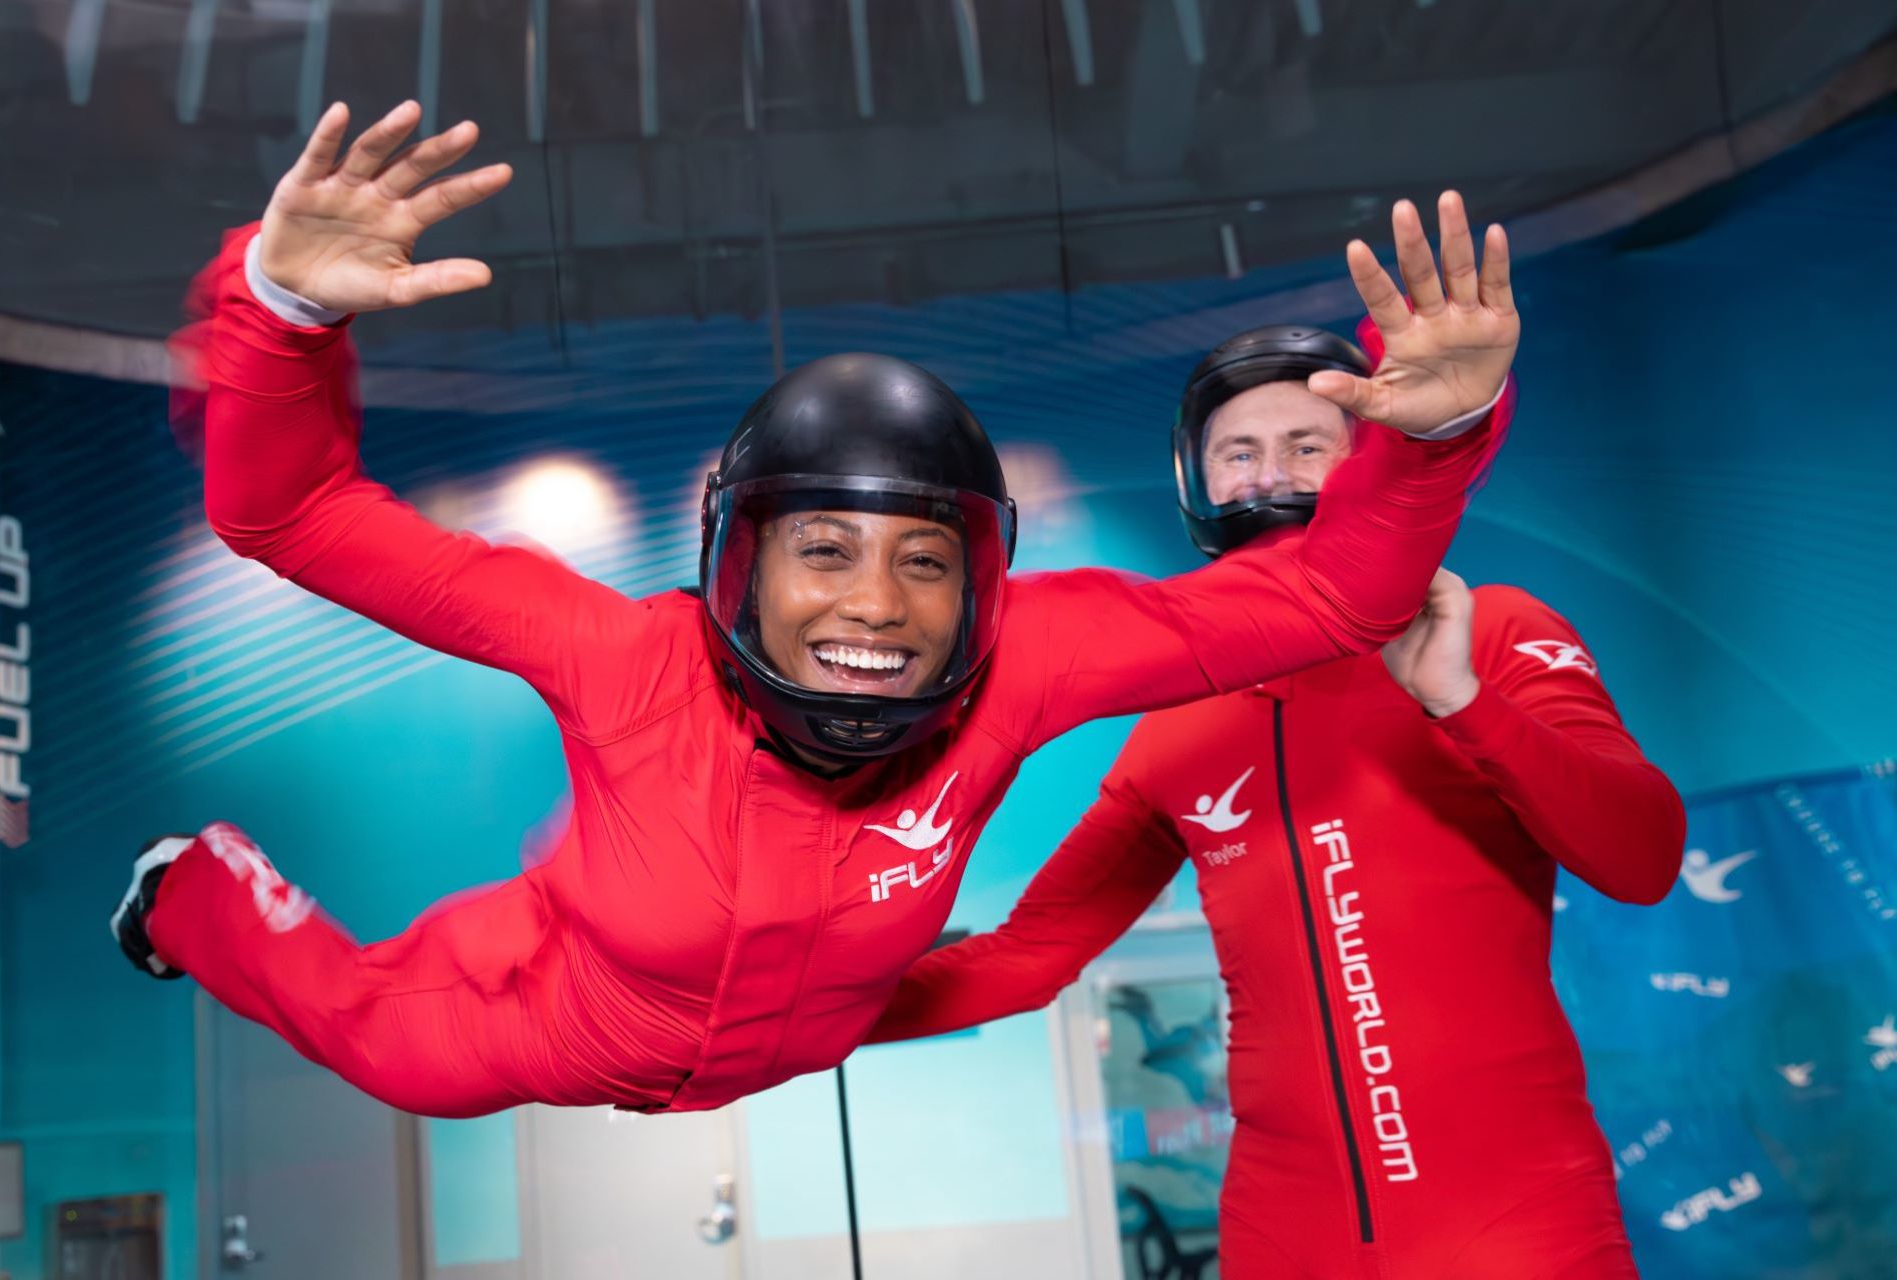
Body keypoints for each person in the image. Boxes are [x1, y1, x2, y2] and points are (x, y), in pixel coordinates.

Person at [110, 98, 1520, 1120]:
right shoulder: (617, 656)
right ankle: (188, 887)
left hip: (801, 1033)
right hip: (565, 1009)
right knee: (380, 1045)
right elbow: (290, 515)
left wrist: (1441, 430)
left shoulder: (1030, 659)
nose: (876, 603)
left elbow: (1335, 594)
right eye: (825, 550)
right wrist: (280, 310)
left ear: (981, 583)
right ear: (739, 562)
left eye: (925, 561)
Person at [865, 322, 1684, 1277]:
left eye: (1307, 445)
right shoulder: (1176, 718)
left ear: (1368, 463)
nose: (1269, 475)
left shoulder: (1492, 629)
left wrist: (1462, 700)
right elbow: (1025, 958)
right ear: (1198, 481)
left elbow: (1643, 857)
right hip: (1286, 1229)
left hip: (1517, 1217)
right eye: (1239, 452)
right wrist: (776, 1028)